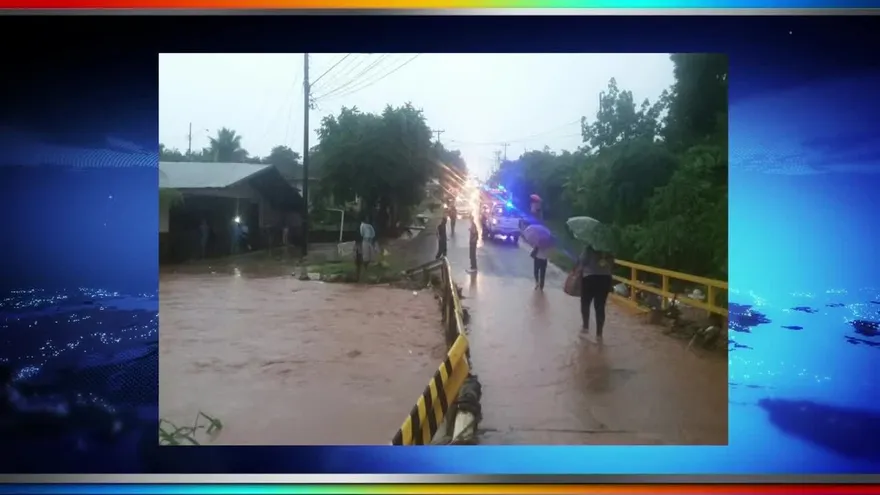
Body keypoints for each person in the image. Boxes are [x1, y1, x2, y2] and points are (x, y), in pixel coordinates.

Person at [578, 245, 614, 336]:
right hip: (605, 279)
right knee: (600, 306)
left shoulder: (589, 248)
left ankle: (585, 327)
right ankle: (599, 333)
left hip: (589, 278)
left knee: (585, 303)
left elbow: (582, 261)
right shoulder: (610, 249)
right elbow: (612, 264)